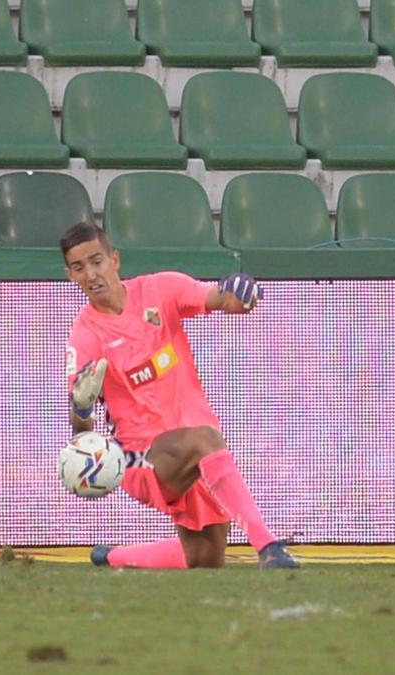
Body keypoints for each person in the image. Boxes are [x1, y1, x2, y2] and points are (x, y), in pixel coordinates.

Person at [61, 222, 299, 570]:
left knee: (205, 559)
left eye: (96, 261)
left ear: (115, 260)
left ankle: (110, 556)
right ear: (70, 275)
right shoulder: (85, 335)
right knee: (204, 439)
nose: (90, 274)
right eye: (79, 267)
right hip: (142, 459)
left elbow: (220, 297)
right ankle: (269, 548)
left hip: (193, 453)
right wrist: (81, 404)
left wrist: (240, 294)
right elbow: (81, 431)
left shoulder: (160, 289)